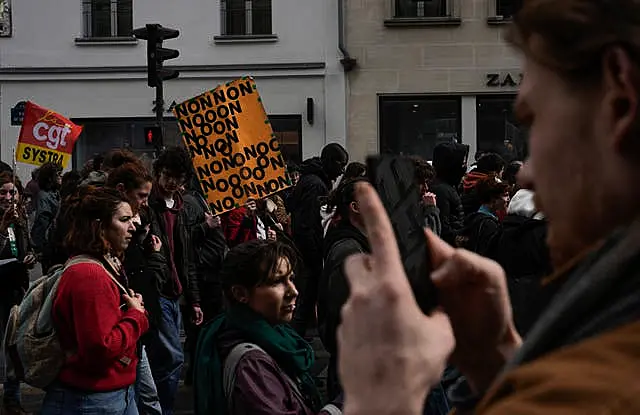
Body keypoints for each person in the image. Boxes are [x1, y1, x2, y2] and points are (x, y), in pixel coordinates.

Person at [336, 1, 640, 414]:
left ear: (619, 101)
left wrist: (382, 394)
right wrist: (494, 362)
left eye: (534, 122)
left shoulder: (598, 383)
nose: (527, 175)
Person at [193, 240, 342, 415]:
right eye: (277, 281)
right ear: (241, 294)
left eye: (291, 278)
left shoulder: (274, 337)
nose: (293, 291)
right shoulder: (252, 365)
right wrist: (342, 405)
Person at [41, 187, 148, 414]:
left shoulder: (100, 266)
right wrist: (136, 316)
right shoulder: (90, 276)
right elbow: (100, 349)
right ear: (100, 226)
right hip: (93, 400)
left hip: (108, 393)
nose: (133, 226)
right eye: (124, 220)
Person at [147, 146, 202, 415]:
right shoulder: (148, 204)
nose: (172, 183)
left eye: (178, 179)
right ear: (158, 174)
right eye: (168, 176)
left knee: (163, 358)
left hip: (174, 290)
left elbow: (186, 258)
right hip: (156, 290)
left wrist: (194, 300)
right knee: (172, 357)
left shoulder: (181, 208)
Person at [107, 162, 163, 415]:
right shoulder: (99, 259)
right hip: (126, 322)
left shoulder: (141, 225)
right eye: (124, 221)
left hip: (136, 320)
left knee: (146, 396)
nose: (144, 203)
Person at [290, 143, 348, 335]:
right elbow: (308, 224)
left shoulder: (311, 180)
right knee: (303, 303)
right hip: (308, 254)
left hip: (307, 252)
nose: (342, 171)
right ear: (331, 161)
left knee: (304, 303)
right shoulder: (315, 184)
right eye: (341, 164)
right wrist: (315, 257)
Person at [0, 173, 36, 415]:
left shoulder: (20, 219)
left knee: (14, 345)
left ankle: (12, 397)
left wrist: (31, 258)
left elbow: (27, 247)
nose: (8, 197)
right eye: (2, 192)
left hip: (16, 289)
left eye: (12, 192)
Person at [430, 142, 469, 246]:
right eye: (462, 163)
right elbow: (444, 228)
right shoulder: (441, 190)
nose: (464, 168)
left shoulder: (448, 186)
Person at [31, 162, 62, 271]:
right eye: (58, 174)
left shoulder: (58, 193)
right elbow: (42, 222)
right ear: (50, 178)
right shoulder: (44, 196)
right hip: (50, 246)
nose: (61, 176)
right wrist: (40, 249)